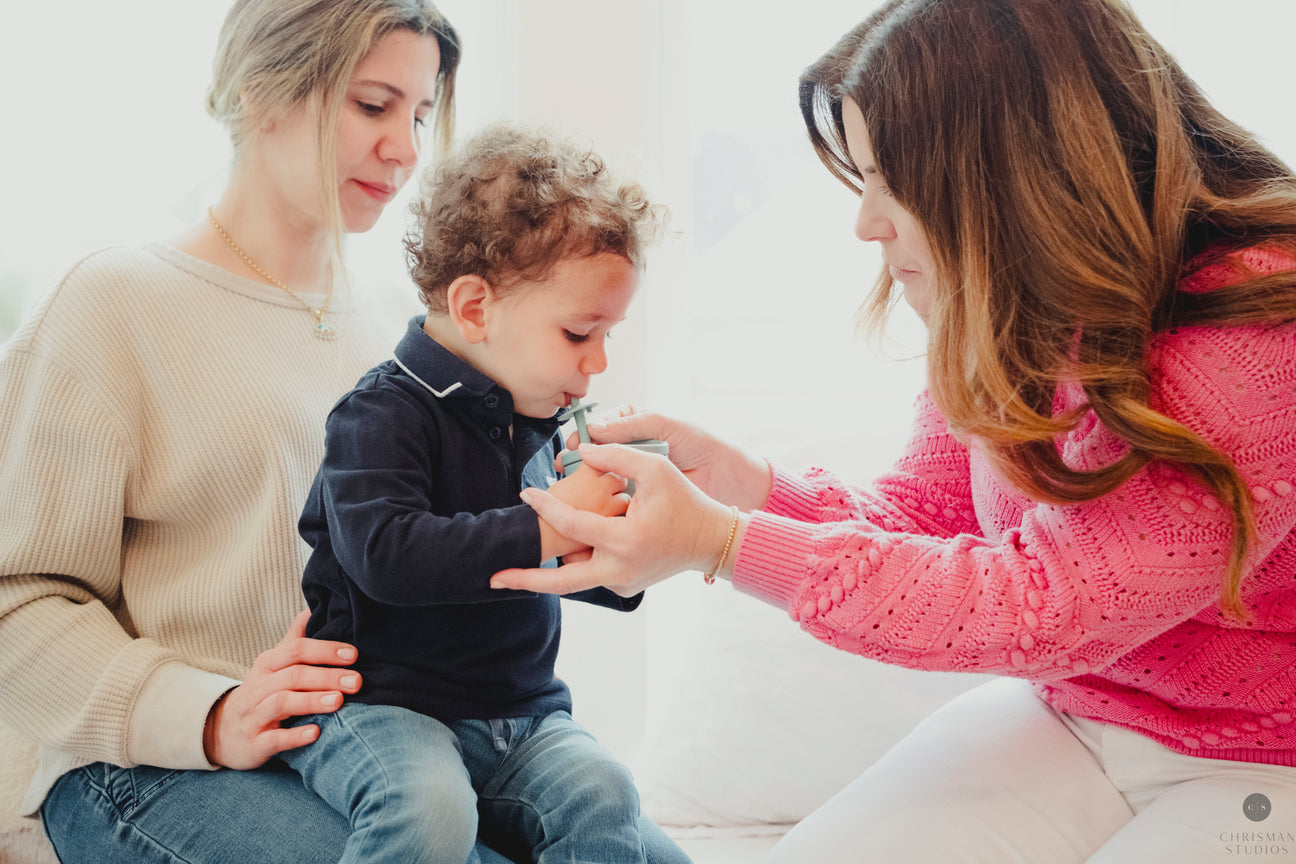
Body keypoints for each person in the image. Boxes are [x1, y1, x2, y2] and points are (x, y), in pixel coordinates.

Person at [491, 0, 1296, 861]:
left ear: (1006, 170)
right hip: (1075, 711)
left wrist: (725, 544)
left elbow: (1043, 604)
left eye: (888, 179)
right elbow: (932, 513)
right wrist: (745, 487)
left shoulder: (1258, 332)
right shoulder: (1012, 299)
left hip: (1266, 763)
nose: (866, 222)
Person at [0, 3, 684, 863]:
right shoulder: (112, 304)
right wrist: (206, 712)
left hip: (386, 738)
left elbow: (490, 554)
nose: (405, 147)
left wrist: (626, 534)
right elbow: (15, 600)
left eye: (422, 115)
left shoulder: (424, 335)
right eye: (373, 105)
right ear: (262, 92)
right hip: (150, 766)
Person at [280, 122, 676, 864]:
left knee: (606, 793)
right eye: (579, 331)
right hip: (383, 705)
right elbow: (388, 557)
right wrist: (557, 529)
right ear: (473, 308)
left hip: (520, 714)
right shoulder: (379, 413)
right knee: (428, 813)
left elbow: (561, 572)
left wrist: (626, 540)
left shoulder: (542, 417)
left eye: (608, 336)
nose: (597, 362)